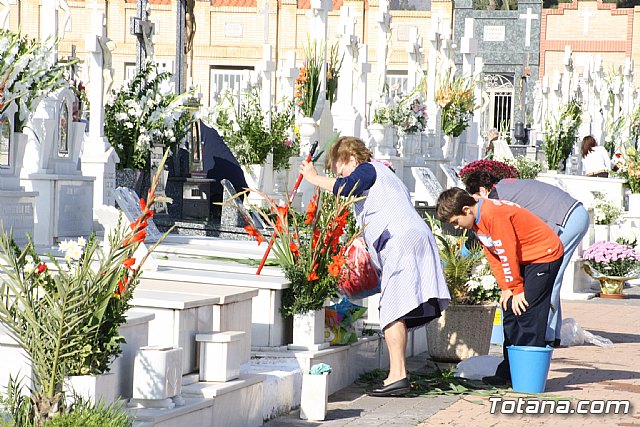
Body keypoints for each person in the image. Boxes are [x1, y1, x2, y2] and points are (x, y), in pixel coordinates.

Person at [300, 136, 450, 397]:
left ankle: (398, 376)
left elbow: (347, 187)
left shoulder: (367, 169)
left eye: (340, 168)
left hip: (401, 242)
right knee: (399, 306)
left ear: (350, 158)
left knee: (392, 308)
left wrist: (313, 178)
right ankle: (398, 373)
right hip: (415, 237)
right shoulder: (388, 175)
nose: (340, 174)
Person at [435, 188, 563, 386]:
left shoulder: (493, 215)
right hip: (524, 257)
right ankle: (508, 372)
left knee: (528, 313)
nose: (457, 228)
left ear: (466, 209)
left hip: (543, 255)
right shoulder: (477, 220)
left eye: (455, 222)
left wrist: (517, 288)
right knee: (509, 312)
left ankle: (526, 376)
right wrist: (506, 288)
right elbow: (493, 255)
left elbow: (507, 251)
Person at [464, 170, 589, 348]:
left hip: (568, 218)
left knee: (549, 276)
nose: (474, 202)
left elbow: (503, 243)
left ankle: (547, 335)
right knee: (549, 278)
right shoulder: (503, 188)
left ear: (483, 191)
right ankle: (551, 331)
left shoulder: (493, 201)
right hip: (572, 212)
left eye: (474, 196)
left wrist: (515, 287)